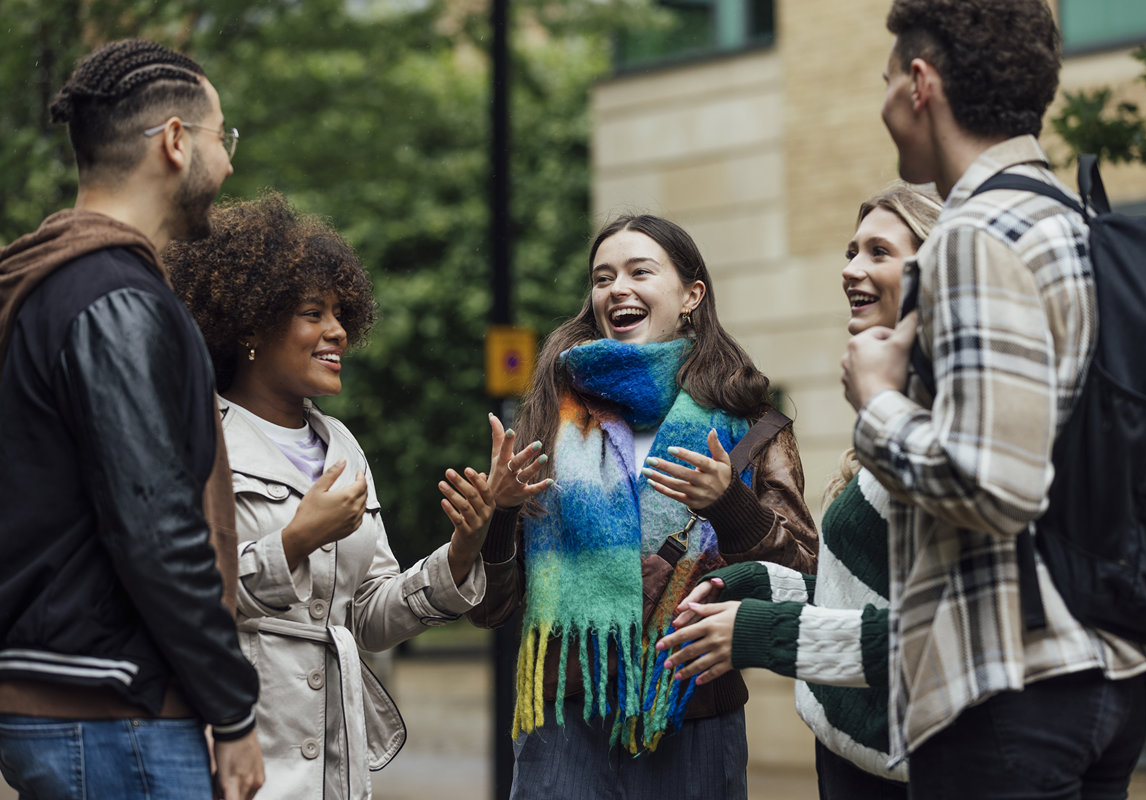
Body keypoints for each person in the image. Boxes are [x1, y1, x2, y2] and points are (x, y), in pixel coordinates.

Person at [841, 1, 1146, 797]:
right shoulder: (1074, 219)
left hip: (1009, 684)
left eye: (885, 81)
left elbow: (995, 484)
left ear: (921, 82)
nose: (882, 104)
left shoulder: (978, 233)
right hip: (1105, 669)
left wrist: (877, 403)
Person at [467, 213, 819, 799]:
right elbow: (491, 606)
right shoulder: (552, 416)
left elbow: (803, 576)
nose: (617, 288)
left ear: (690, 296)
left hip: (695, 714)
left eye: (640, 271)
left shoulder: (750, 423)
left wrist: (729, 503)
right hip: (565, 717)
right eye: (603, 277)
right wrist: (500, 514)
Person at [163, 190, 495, 800]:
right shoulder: (196, 437)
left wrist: (461, 555)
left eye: (341, 313)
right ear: (249, 324)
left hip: (335, 774)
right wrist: (294, 541)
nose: (337, 332)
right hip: (238, 756)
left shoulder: (342, 446)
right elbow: (174, 596)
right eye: (313, 313)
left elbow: (367, 616)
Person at [0, 39, 263, 800]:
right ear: (176, 142)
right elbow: (154, 528)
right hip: (113, 712)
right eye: (225, 138)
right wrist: (234, 708)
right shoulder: (113, 299)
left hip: (73, 701)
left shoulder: (48, 283)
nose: (231, 164)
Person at [658, 184, 941, 800]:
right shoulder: (900, 411)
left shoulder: (944, 428)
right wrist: (751, 585)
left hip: (918, 764)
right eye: (850, 250)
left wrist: (757, 632)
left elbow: (938, 635)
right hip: (851, 757)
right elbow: (849, 594)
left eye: (878, 252)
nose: (850, 268)